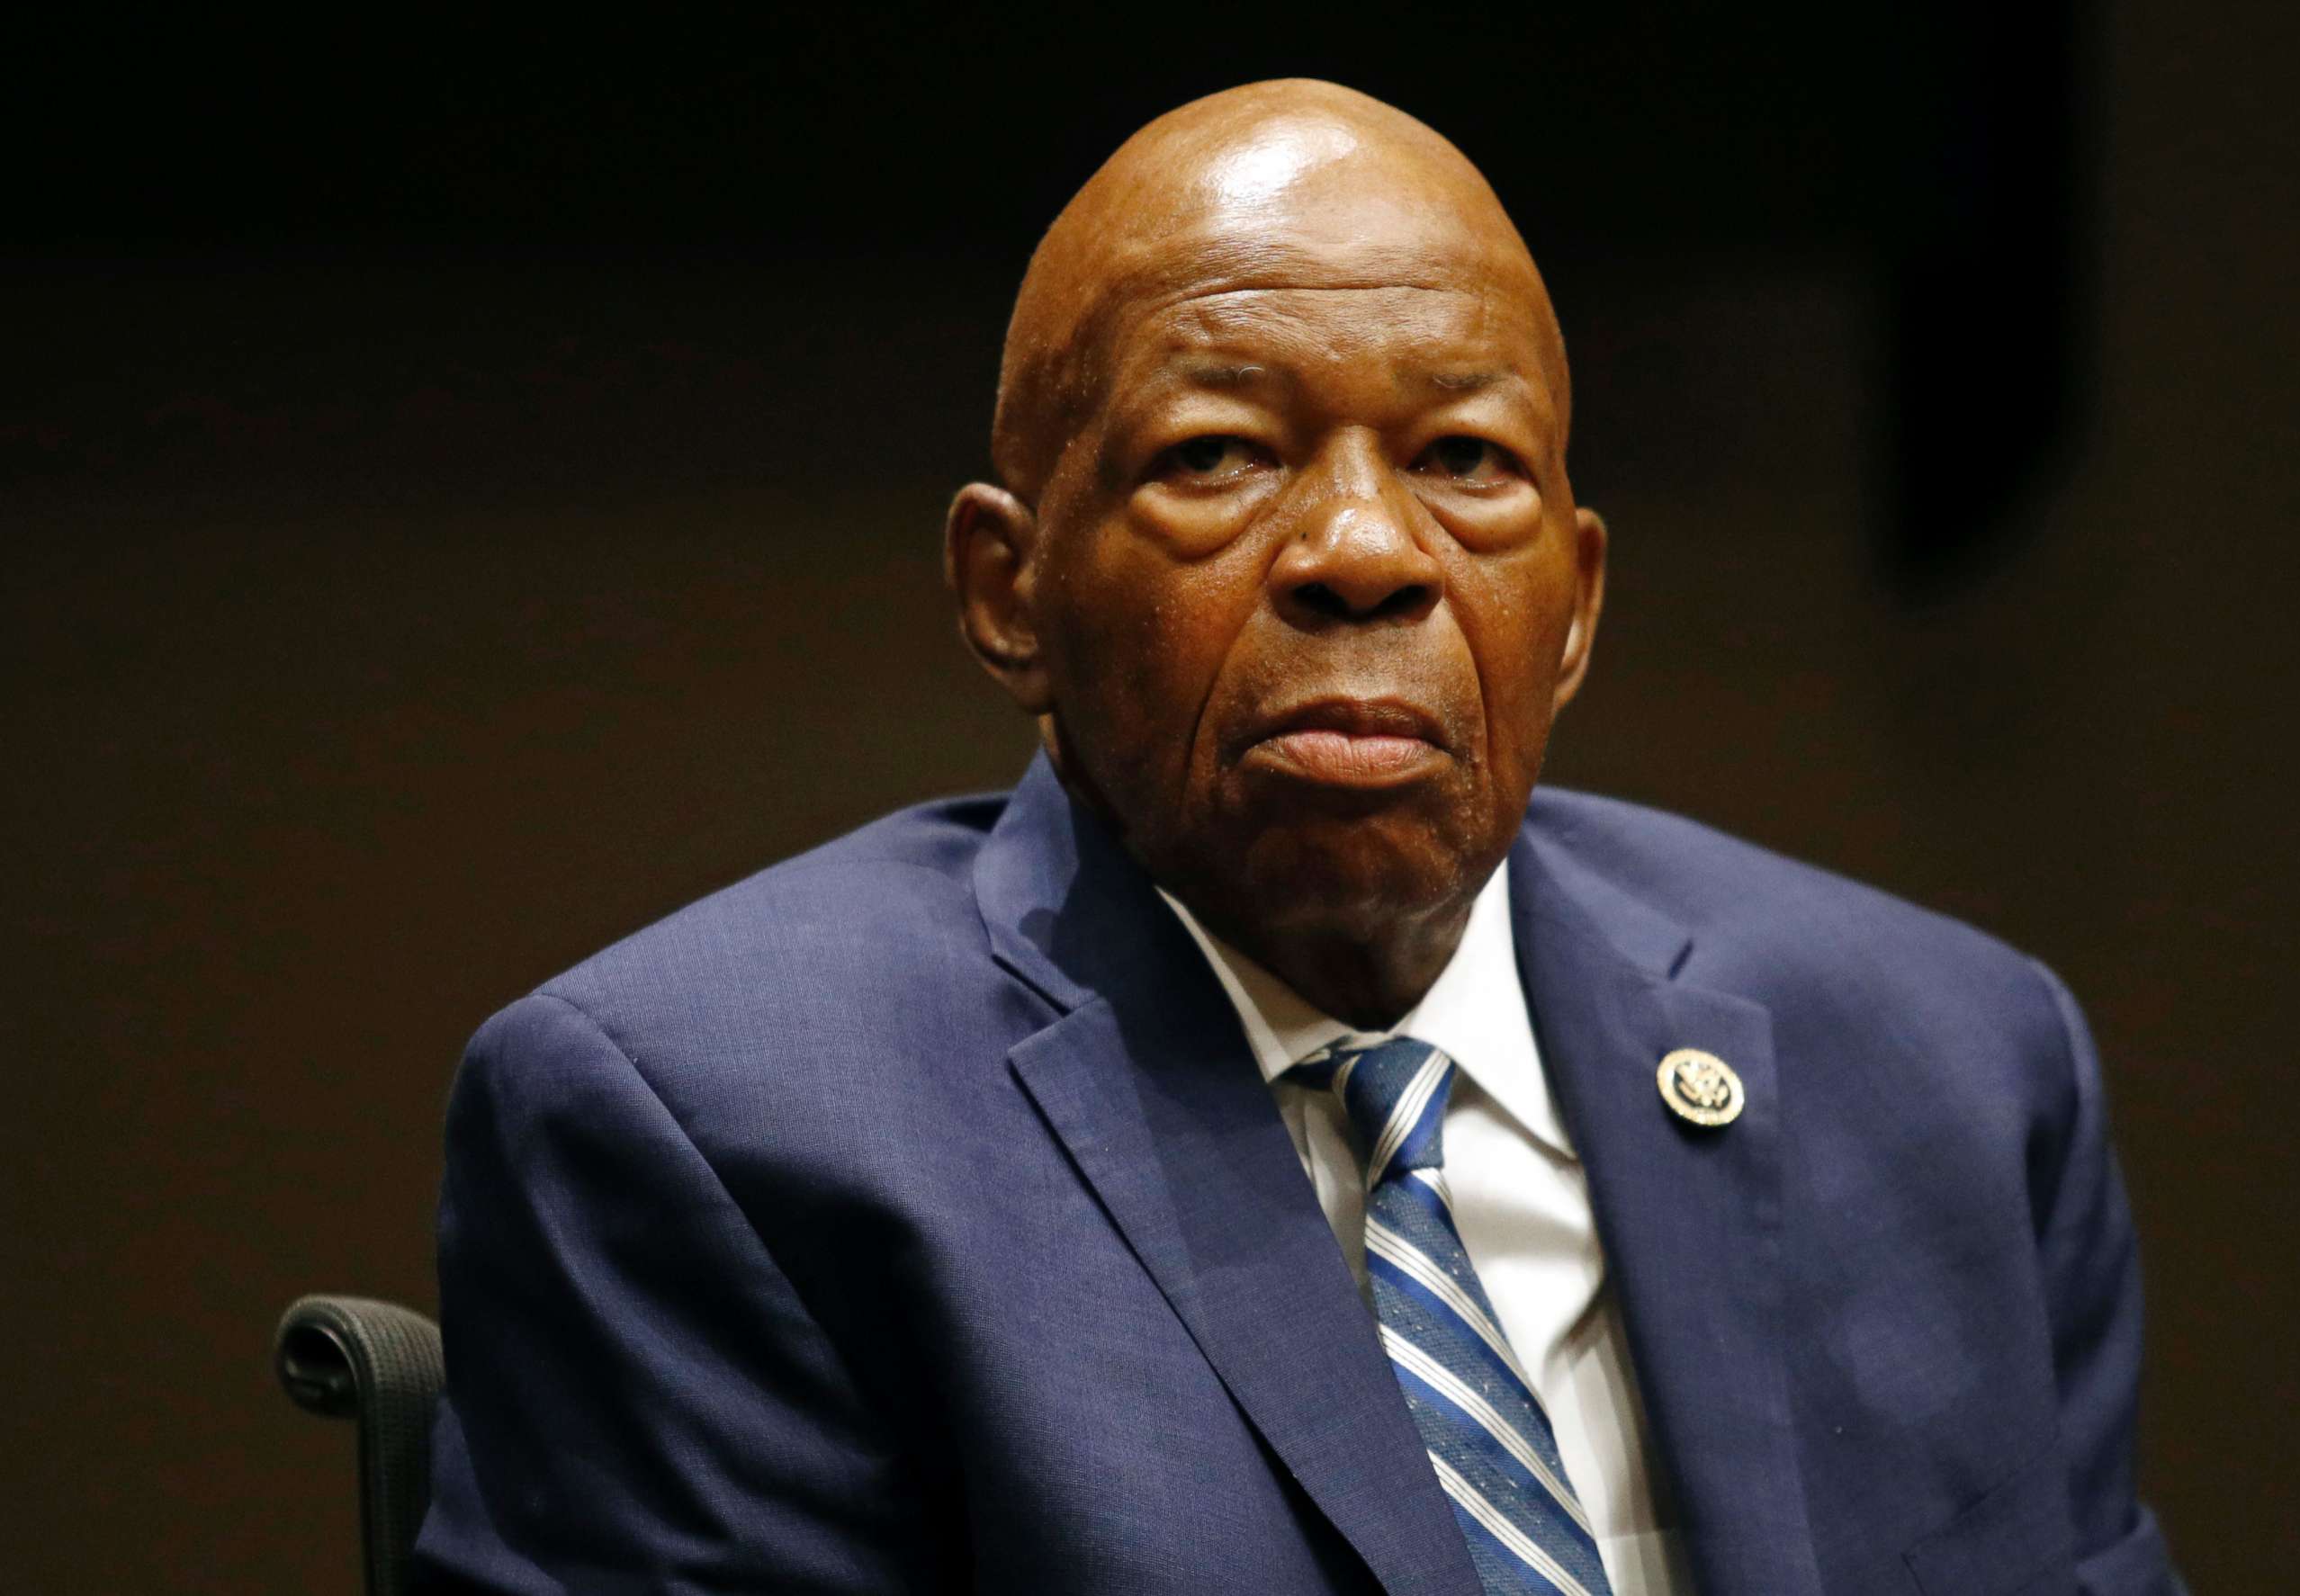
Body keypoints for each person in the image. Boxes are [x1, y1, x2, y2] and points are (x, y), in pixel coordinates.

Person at [413, 80, 2183, 1596]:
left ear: (1573, 607)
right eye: (1220, 452)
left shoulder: (1948, 1065)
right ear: (1007, 589)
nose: (1363, 549)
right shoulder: (722, 1125)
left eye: (1467, 460)